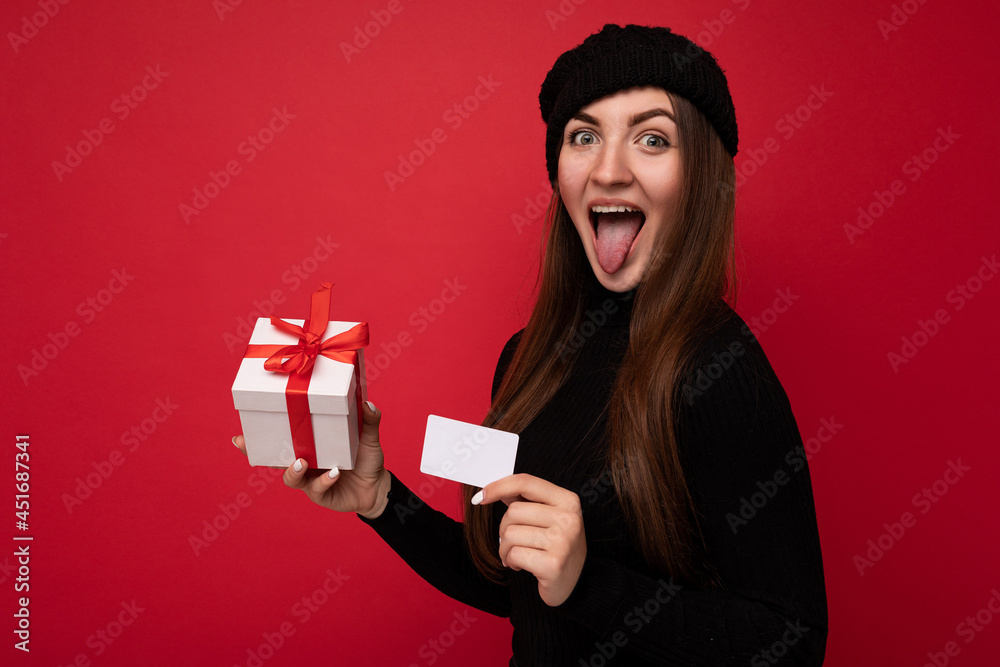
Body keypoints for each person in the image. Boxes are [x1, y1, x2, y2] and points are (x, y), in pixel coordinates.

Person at [234, 24, 827, 665]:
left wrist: (589, 583)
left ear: (700, 177)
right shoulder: (527, 358)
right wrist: (380, 498)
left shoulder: (718, 366)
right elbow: (513, 579)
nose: (609, 169)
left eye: (652, 138)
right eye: (584, 137)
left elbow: (793, 642)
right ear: (559, 171)